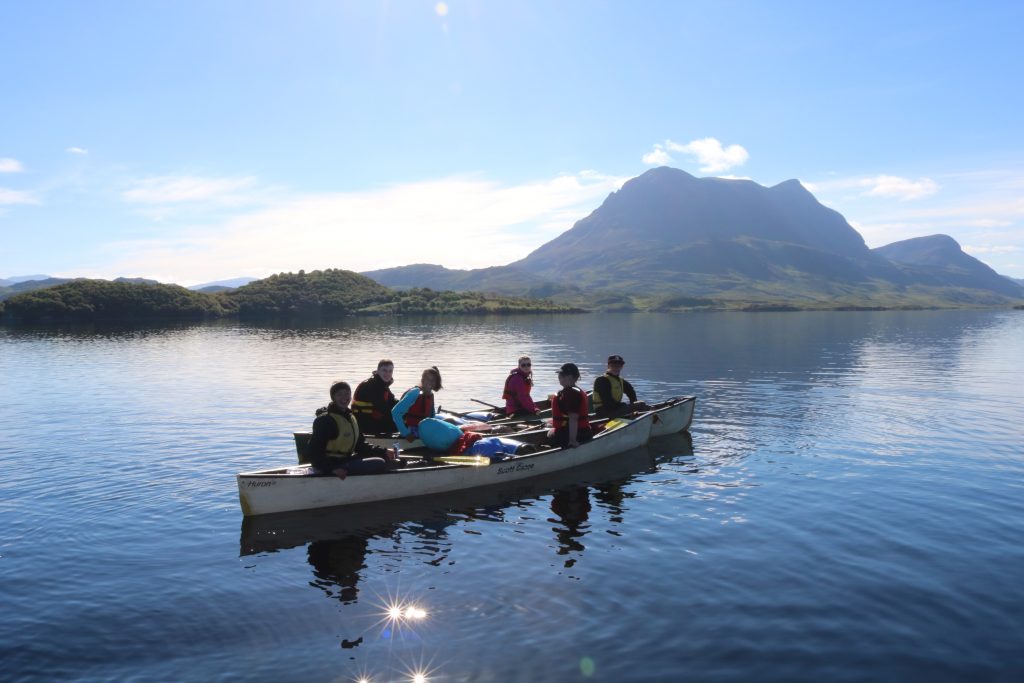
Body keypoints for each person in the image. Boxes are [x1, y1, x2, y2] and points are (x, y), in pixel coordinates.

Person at [307, 381, 399, 479]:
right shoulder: (326, 421)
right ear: (333, 397)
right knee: (379, 462)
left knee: (384, 457)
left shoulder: (351, 418)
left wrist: (384, 451)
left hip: (346, 461)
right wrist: (332, 469)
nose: (344, 398)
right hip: (332, 465)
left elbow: (361, 446)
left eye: (347, 394)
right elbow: (313, 452)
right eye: (339, 395)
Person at [392, 366, 442, 441]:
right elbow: (395, 412)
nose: (429, 382)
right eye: (427, 379)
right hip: (411, 431)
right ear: (422, 380)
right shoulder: (415, 393)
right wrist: (406, 433)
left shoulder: (430, 395)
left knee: (450, 421)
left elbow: (432, 417)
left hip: (424, 429)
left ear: (436, 383)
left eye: (433, 380)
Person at [549, 363, 593, 448]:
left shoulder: (571, 393)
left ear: (569, 377)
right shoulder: (575, 391)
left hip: (577, 434)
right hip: (583, 431)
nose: (559, 377)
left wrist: (572, 440)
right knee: (550, 428)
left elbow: (573, 417)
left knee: (550, 434)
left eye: (561, 375)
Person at [352, 359, 398, 435]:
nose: (387, 374)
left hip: (372, 418)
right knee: (394, 422)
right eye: (384, 370)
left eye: (390, 371)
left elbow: (392, 401)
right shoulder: (371, 386)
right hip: (364, 421)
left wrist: (407, 405)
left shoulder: (382, 385)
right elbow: (382, 407)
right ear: (378, 371)